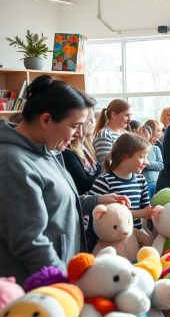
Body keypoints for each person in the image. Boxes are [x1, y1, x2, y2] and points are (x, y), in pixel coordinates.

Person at [0, 75, 127, 283]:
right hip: (38, 289)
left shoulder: (49, 150)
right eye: (75, 125)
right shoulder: (12, 163)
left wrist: (95, 201)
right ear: (46, 120)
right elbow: (31, 243)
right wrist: (68, 286)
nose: (79, 134)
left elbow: (54, 203)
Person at [89, 133, 154, 240]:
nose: (147, 162)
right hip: (112, 240)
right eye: (141, 157)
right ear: (125, 156)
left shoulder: (141, 180)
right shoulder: (104, 181)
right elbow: (100, 215)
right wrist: (142, 213)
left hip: (135, 238)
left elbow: (146, 207)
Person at [63, 107, 100, 195]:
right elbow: (84, 185)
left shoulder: (84, 144)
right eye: (89, 121)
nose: (93, 124)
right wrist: (101, 169)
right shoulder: (67, 151)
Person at [93, 99, 132, 163]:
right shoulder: (104, 135)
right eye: (126, 115)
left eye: (131, 115)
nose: (130, 119)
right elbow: (106, 164)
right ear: (114, 115)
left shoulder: (124, 132)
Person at [141, 120, 164, 198]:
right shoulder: (138, 148)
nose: (160, 133)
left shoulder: (155, 148)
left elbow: (161, 165)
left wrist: (147, 163)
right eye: (157, 130)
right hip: (144, 183)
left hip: (157, 182)